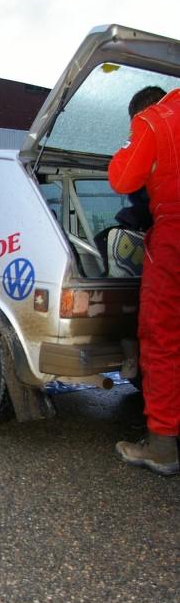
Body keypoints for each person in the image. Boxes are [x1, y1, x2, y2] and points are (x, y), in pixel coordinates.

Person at [108, 84, 180, 475]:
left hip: (175, 237)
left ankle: (162, 448)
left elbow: (122, 178)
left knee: (163, 338)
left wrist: (132, 139)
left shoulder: (154, 121)